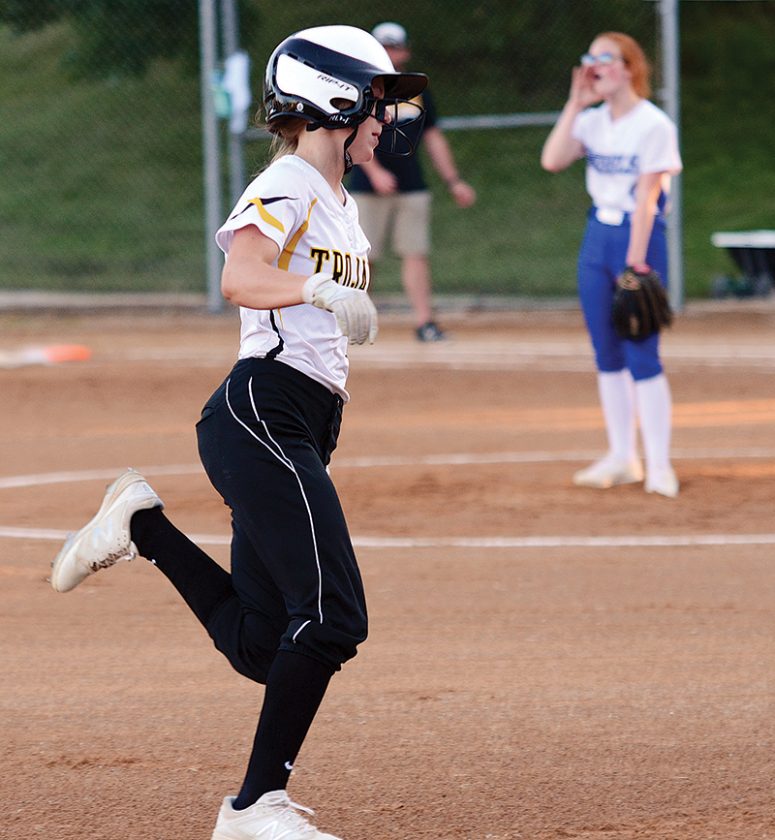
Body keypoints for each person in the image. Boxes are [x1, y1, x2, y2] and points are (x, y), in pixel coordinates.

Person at [49, 25, 427, 840]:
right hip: (263, 410)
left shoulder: (339, 202)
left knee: (264, 643)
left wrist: (324, 294)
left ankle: (141, 526)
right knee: (331, 617)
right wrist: (317, 292)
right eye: (376, 101)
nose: (386, 118)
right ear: (333, 101)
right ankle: (254, 808)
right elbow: (240, 274)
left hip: (301, 422)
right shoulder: (289, 181)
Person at [541, 31, 682, 498]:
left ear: (629, 68)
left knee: (642, 352)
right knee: (606, 352)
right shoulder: (592, 121)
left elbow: (647, 199)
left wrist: (637, 262)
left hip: (637, 237)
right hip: (597, 238)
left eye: (606, 57)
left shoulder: (653, 124)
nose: (595, 65)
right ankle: (623, 457)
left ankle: (659, 465)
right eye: (591, 56)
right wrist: (574, 103)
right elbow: (552, 160)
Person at [349, 21, 477, 342]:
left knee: (416, 253)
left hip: (411, 183)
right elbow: (351, 133)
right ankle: (354, 324)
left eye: (394, 47)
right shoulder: (363, 87)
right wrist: (374, 172)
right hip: (368, 186)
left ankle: (425, 323)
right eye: (384, 47)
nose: (390, 53)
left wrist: (454, 181)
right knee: (363, 258)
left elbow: (433, 137)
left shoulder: (417, 91)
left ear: (405, 51)